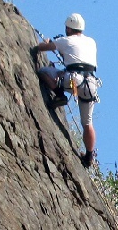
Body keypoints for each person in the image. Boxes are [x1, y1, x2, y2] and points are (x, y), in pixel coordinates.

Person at [34, 13, 100, 168]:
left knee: (44, 72)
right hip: (91, 85)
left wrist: (49, 43)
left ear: (69, 28)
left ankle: (59, 95)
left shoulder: (65, 40)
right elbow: (77, 56)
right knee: (87, 123)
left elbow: (42, 48)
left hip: (74, 80)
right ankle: (89, 156)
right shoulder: (91, 42)